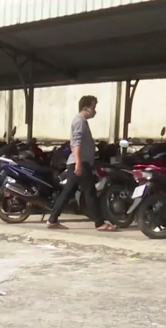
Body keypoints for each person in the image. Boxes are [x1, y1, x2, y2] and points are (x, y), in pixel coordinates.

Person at [47, 95, 116, 231]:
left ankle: (52, 219)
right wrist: (79, 163)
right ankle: (99, 223)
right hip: (79, 163)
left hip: (78, 162)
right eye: (93, 107)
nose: (95, 111)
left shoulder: (81, 121)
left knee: (67, 192)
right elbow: (76, 144)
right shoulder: (79, 122)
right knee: (90, 192)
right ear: (86, 108)